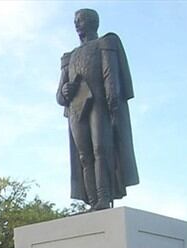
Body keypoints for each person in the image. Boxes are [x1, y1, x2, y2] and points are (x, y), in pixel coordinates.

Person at [57, 8, 138, 211]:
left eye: (80, 20)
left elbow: (111, 78)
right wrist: (66, 90)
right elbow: (59, 97)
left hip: (99, 104)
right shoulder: (69, 57)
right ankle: (93, 201)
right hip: (76, 109)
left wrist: (113, 108)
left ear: (92, 22)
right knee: (84, 156)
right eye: (75, 20)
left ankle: (104, 197)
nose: (76, 24)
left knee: (101, 150)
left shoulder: (105, 43)